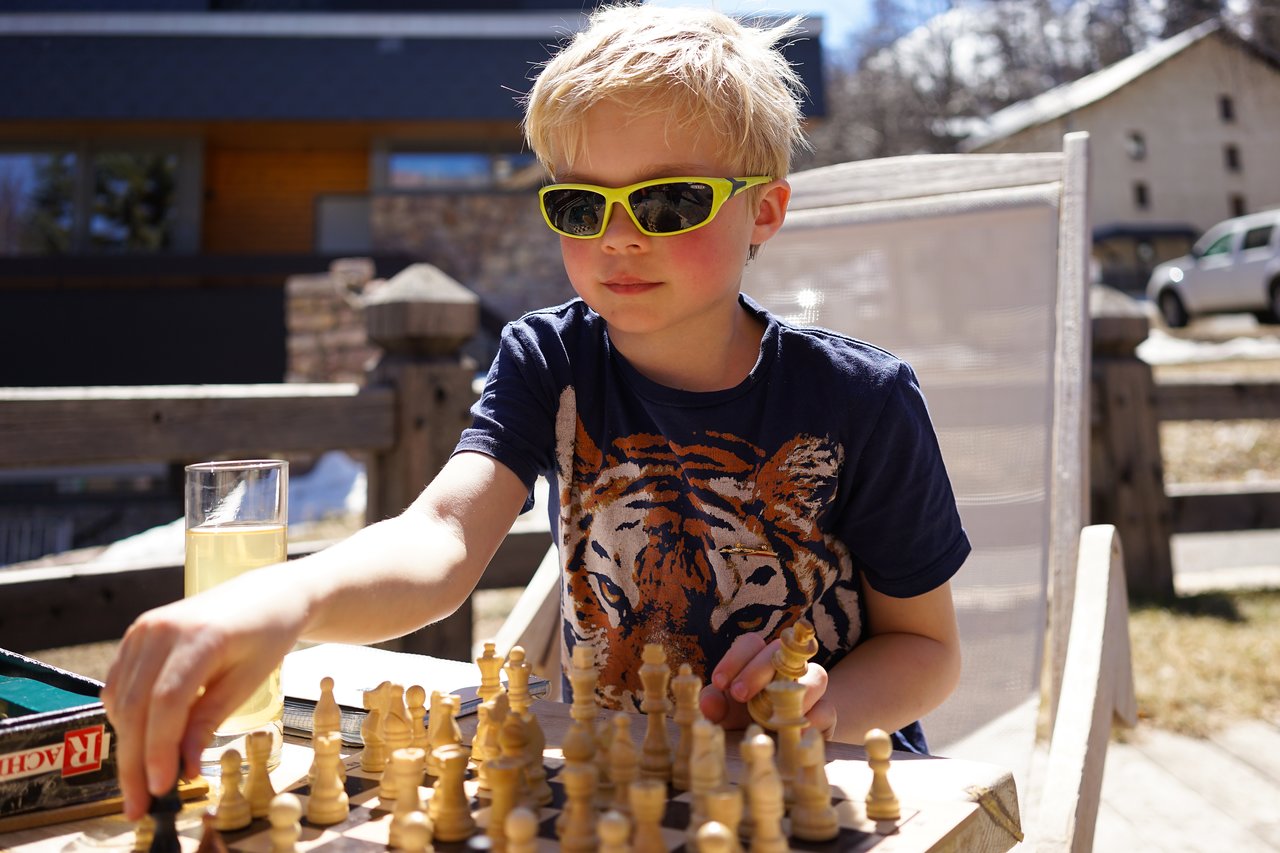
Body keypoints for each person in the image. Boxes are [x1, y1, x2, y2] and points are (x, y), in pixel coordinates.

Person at [102, 2, 968, 821]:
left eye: (670, 202)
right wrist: (284, 595)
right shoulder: (547, 359)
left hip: (825, 788)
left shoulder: (861, 398)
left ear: (764, 210)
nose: (617, 237)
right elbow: (441, 533)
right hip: (618, 785)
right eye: (580, 205)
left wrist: (824, 708)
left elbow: (928, 652)